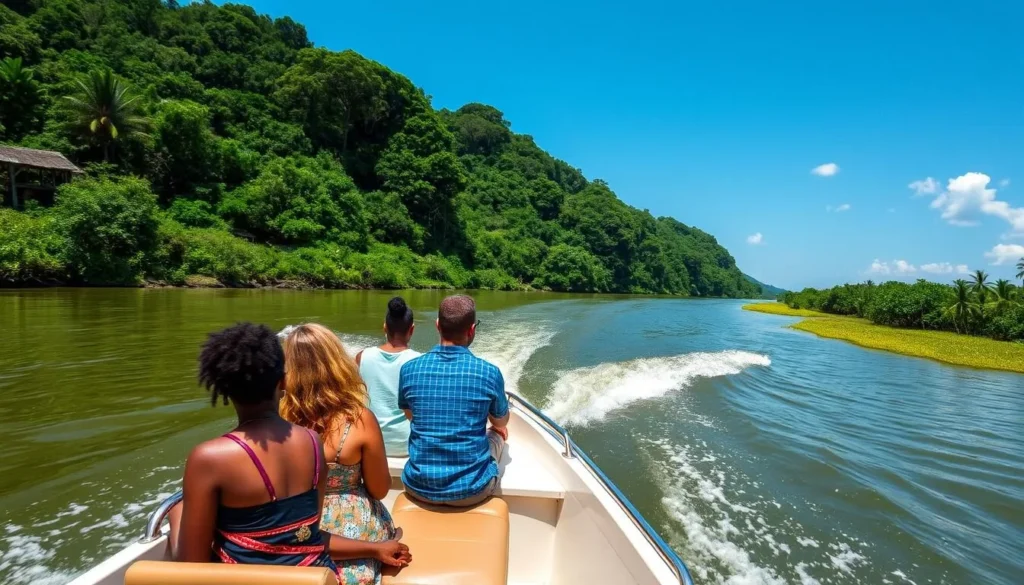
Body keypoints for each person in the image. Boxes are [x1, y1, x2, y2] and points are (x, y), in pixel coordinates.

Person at [167, 322, 409, 577]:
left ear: (222, 389)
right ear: (282, 381)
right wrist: (374, 548)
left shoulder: (208, 458)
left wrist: (176, 520)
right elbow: (307, 534)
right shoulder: (310, 442)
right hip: (313, 572)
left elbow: (190, 568)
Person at [281, 323, 398, 585]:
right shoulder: (359, 419)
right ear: (337, 363)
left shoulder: (279, 420)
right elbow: (379, 489)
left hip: (297, 524)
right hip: (354, 526)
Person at [398, 295, 509, 507]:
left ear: (437, 325)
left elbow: (410, 415)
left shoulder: (409, 370)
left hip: (418, 487)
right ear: (472, 330)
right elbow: (501, 421)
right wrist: (495, 428)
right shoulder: (489, 372)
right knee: (497, 433)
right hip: (473, 490)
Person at [355, 297, 421, 457]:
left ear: (385, 327)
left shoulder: (362, 357)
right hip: (406, 445)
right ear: (412, 329)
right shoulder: (420, 362)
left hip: (371, 442)